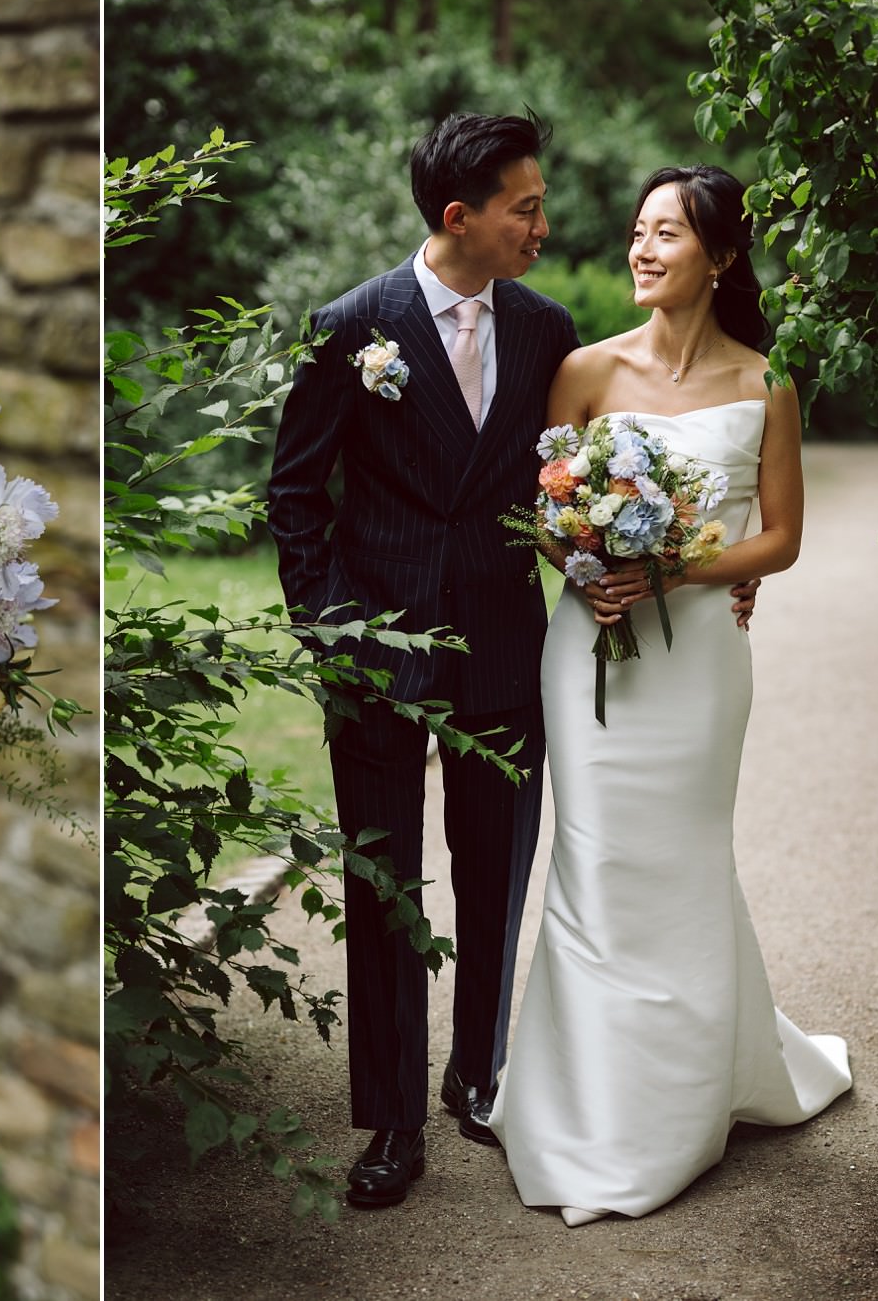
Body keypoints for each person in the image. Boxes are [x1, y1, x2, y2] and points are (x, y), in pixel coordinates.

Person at [487, 164, 853, 1226]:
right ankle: (588, 1110)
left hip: (697, 660)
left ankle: (682, 1101)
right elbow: (546, 515)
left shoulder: (765, 381)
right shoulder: (584, 371)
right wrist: (587, 564)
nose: (644, 249)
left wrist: (679, 573)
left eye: (668, 234)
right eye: (638, 230)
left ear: (721, 256)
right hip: (587, 649)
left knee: (683, 863)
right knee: (594, 860)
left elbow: (779, 537)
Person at [268, 111, 582, 1209]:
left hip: (504, 647)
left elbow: (571, 479)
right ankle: (393, 1119)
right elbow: (296, 496)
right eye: (526, 207)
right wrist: (333, 635)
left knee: (497, 875)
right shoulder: (355, 327)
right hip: (376, 654)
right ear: (462, 217)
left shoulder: (547, 332)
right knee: (384, 886)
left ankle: (478, 1075)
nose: (543, 223)